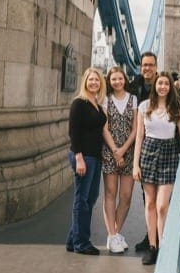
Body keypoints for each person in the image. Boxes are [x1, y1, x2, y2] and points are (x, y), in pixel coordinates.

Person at [133, 71, 180, 265]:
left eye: (166, 84)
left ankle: (165, 246)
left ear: (170, 87)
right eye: (160, 83)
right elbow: (139, 137)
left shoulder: (177, 106)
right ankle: (153, 247)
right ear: (155, 85)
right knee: (149, 204)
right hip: (148, 153)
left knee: (162, 206)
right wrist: (135, 165)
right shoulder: (144, 107)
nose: (162, 87)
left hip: (169, 153)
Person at [66, 67, 107, 255]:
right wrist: (79, 158)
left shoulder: (97, 103)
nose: (94, 83)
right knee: (81, 200)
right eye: (90, 80)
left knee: (90, 198)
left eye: (97, 80)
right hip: (83, 157)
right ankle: (82, 243)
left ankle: (72, 240)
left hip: (95, 157)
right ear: (85, 82)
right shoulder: (79, 103)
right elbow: (73, 133)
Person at [101, 66, 138, 254]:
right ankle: (112, 235)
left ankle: (115, 234)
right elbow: (104, 128)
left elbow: (135, 129)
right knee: (110, 193)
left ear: (125, 79)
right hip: (110, 152)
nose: (117, 82)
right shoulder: (105, 100)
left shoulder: (133, 99)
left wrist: (123, 150)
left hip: (129, 153)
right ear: (109, 81)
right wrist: (116, 150)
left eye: (120, 79)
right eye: (113, 79)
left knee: (126, 196)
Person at [127, 52, 158, 252]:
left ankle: (159, 239)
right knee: (148, 198)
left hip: (161, 148)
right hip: (142, 147)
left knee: (161, 201)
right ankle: (151, 238)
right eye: (144, 65)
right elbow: (115, 91)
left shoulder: (164, 85)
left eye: (150, 65)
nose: (147, 68)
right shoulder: (133, 85)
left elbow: (179, 107)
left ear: (156, 67)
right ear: (140, 67)